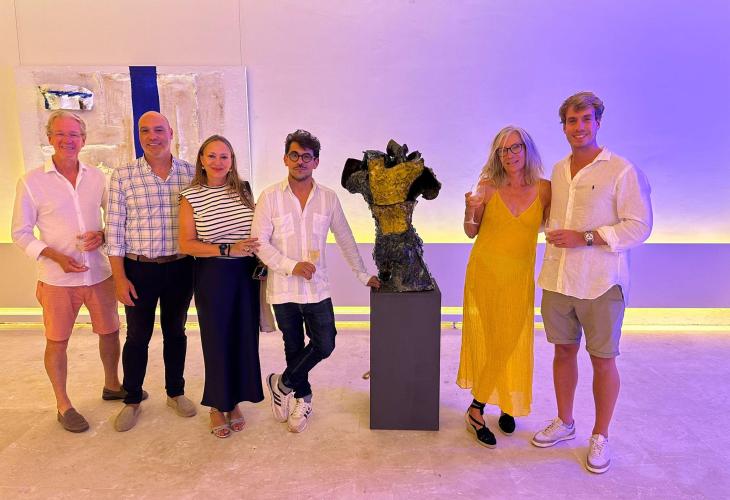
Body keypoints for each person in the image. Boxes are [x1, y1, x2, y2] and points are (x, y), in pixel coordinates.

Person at [531, 92, 652, 474]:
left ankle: (600, 435)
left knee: (603, 360)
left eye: (586, 119)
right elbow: (549, 219)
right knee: (563, 352)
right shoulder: (558, 170)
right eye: (572, 120)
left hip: (601, 283)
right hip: (558, 279)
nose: (579, 127)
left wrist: (585, 238)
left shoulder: (622, 170)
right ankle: (565, 422)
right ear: (563, 126)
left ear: (598, 122)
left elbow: (639, 226)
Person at [251, 129, 380, 433]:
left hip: (317, 288)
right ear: (285, 159)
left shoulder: (328, 198)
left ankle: (281, 383)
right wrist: (291, 266)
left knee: (325, 342)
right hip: (283, 289)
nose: (300, 161)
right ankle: (303, 398)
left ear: (316, 162)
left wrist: (362, 274)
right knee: (294, 346)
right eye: (294, 155)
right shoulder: (270, 197)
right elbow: (259, 243)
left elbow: (345, 239)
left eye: (306, 157)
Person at [11, 111, 126, 433]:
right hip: (57, 280)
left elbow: (114, 220)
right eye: (61, 134)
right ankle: (63, 404)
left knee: (110, 332)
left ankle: (112, 384)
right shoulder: (31, 182)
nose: (68, 140)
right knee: (57, 341)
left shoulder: (98, 178)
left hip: (98, 273)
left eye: (74, 134)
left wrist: (102, 234)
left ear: (84, 140)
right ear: (50, 138)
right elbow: (20, 233)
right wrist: (55, 256)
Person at [456, 126, 550, 448]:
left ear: (527, 149)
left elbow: (554, 225)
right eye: (503, 150)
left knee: (510, 340)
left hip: (519, 278)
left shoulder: (545, 189)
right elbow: (471, 232)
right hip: (485, 275)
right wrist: (470, 209)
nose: (510, 155)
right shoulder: (487, 186)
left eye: (515, 147)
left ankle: (504, 401)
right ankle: (477, 408)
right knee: (500, 341)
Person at [106, 111, 197, 432]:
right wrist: (119, 278)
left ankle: (176, 393)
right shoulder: (123, 175)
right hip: (138, 269)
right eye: (145, 130)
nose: (152, 136)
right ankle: (132, 398)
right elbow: (114, 231)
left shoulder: (191, 173)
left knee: (176, 332)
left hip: (180, 267)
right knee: (137, 336)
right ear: (139, 135)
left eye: (158, 130)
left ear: (171, 133)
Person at [178, 135, 264, 438]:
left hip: (245, 275)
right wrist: (228, 248)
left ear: (232, 161)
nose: (218, 162)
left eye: (224, 156)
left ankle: (234, 401)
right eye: (211, 156)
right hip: (213, 274)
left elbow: (257, 228)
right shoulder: (190, 196)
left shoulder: (244, 189)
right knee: (217, 340)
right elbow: (186, 244)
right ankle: (217, 405)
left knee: (243, 338)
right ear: (201, 160)